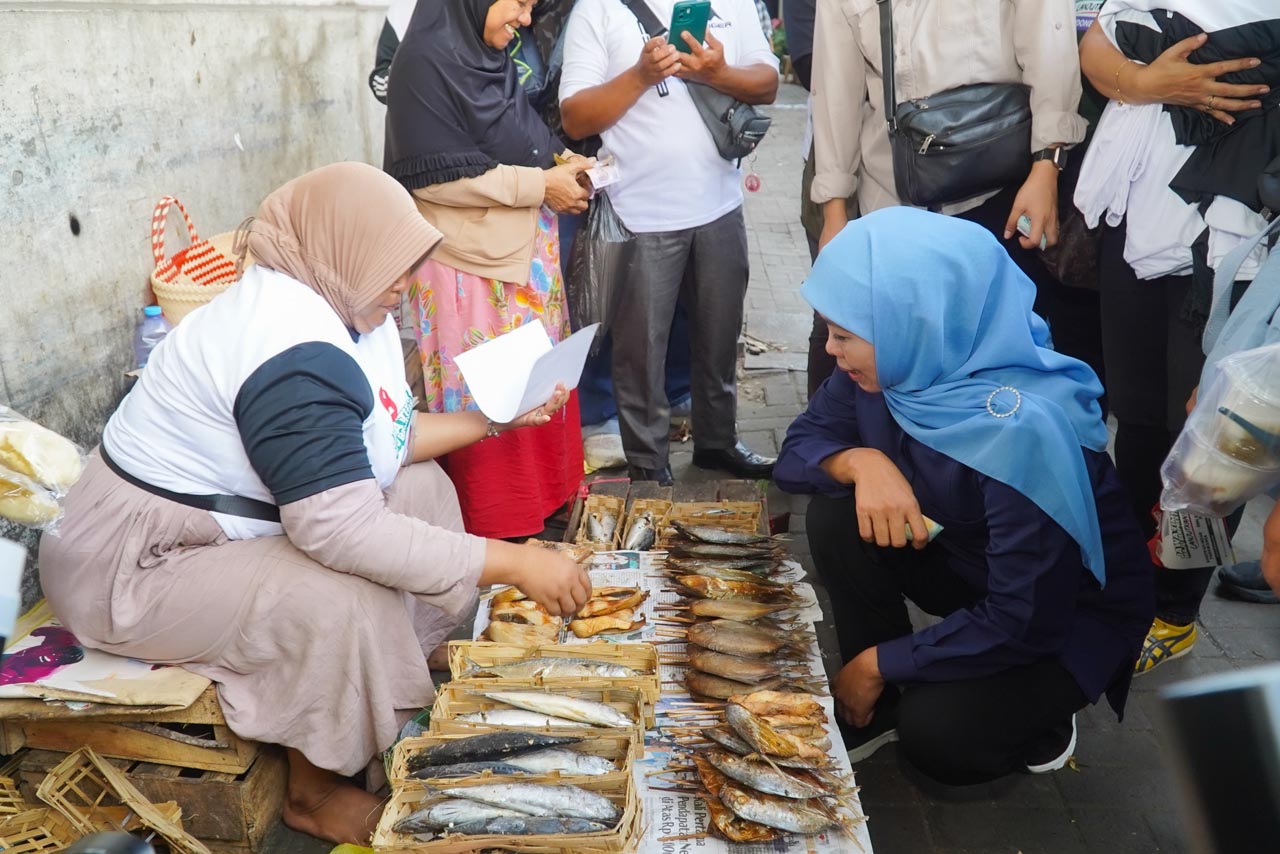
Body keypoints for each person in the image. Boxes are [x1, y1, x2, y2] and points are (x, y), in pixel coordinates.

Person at [38, 163, 594, 846]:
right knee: (338, 596)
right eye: (394, 266)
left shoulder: (343, 302)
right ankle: (315, 790)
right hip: (132, 563)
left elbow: (388, 442)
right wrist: (513, 563)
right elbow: (338, 530)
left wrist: (495, 419)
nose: (406, 283)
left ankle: (396, 674)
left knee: (424, 490)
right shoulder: (290, 348)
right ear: (344, 247)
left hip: (217, 524)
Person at [776, 208, 1154, 784]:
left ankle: (1040, 717)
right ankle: (879, 704)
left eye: (844, 335)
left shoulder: (1022, 432)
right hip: (980, 568)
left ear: (916, 322)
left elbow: (1026, 615)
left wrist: (878, 662)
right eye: (829, 330)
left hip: (1061, 614)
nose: (830, 350)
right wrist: (862, 461)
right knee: (835, 510)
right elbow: (798, 449)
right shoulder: (899, 368)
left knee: (940, 735)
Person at [1076, 1, 1277, 672]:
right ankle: (1130, 581)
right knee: (1136, 417)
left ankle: (1176, 608)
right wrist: (1148, 84)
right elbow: (1097, 46)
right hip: (1137, 208)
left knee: (1212, 445)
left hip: (1238, 228)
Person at [809, 0, 1103, 386]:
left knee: (1001, 357)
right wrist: (835, 214)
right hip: (894, 198)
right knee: (893, 362)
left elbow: (1050, 47)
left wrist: (1046, 167)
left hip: (1002, 188)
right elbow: (835, 90)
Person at [385, 0, 591, 538]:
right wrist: (540, 185)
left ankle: (543, 507)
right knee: (489, 395)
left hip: (521, 256)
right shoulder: (426, 62)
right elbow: (432, 178)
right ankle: (500, 529)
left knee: (536, 386)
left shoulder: (485, 54)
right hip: (468, 271)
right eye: (518, 3)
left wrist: (559, 162)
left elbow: (515, 138)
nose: (525, 19)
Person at [559, 0, 781, 486]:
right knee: (640, 353)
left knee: (720, 340)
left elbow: (767, 83)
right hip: (638, 214)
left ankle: (718, 445)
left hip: (721, 206)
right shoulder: (598, 10)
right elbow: (575, 117)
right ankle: (648, 464)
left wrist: (718, 72)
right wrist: (639, 75)